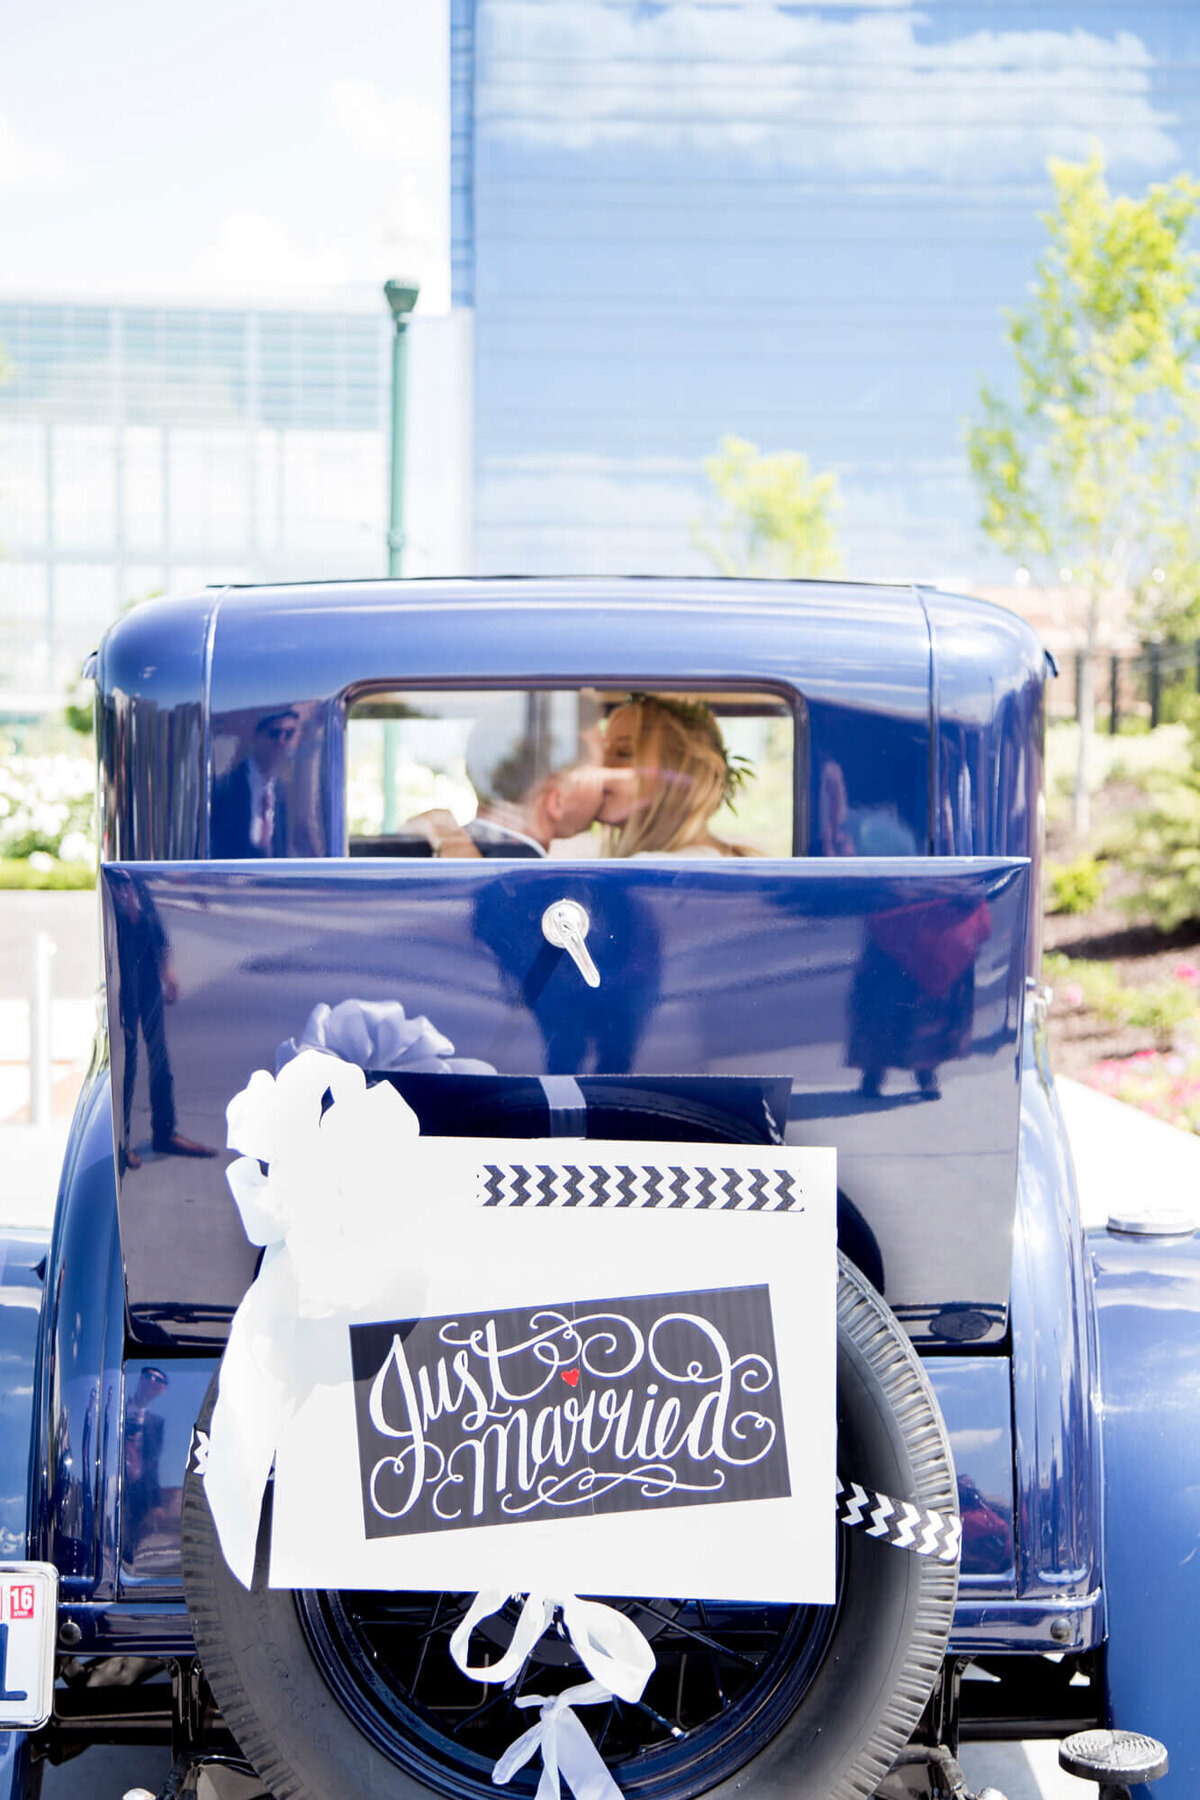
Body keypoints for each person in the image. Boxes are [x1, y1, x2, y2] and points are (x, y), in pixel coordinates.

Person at [599, 693, 758, 857]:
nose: (600, 765)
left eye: (624, 753)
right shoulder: (714, 857)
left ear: (677, 775)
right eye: (601, 752)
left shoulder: (655, 869)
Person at [211, 707, 300, 857]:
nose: (281, 742)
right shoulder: (226, 787)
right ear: (257, 737)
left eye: (289, 735)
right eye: (274, 733)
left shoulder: (282, 790)